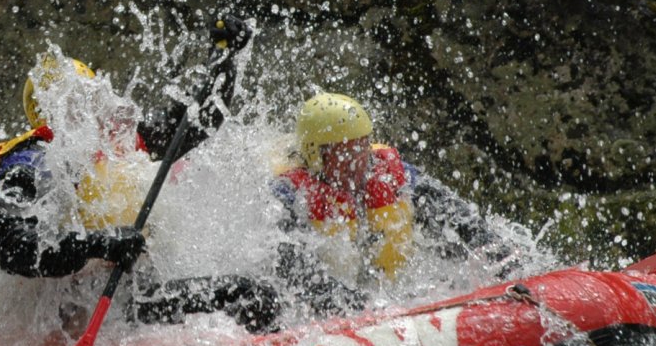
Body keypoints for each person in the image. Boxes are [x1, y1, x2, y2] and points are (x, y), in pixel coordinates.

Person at [131, 92, 516, 331]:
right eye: (346, 153)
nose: (360, 161)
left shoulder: (391, 175)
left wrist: (495, 252)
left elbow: (457, 219)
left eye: (363, 147)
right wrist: (364, 310)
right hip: (331, 308)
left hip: (380, 296)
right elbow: (294, 270)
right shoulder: (284, 197)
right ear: (317, 155)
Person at [0, 16, 252, 279]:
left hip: (130, 282)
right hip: (72, 297)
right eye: (73, 102)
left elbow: (195, 122)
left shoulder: (117, 141)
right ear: (47, 113)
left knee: (248, 292)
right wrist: (99, 244)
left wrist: (225, 62)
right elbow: (8, 246)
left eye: (91, 97)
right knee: (246, 294)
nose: (90, 109)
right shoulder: (31, 159)